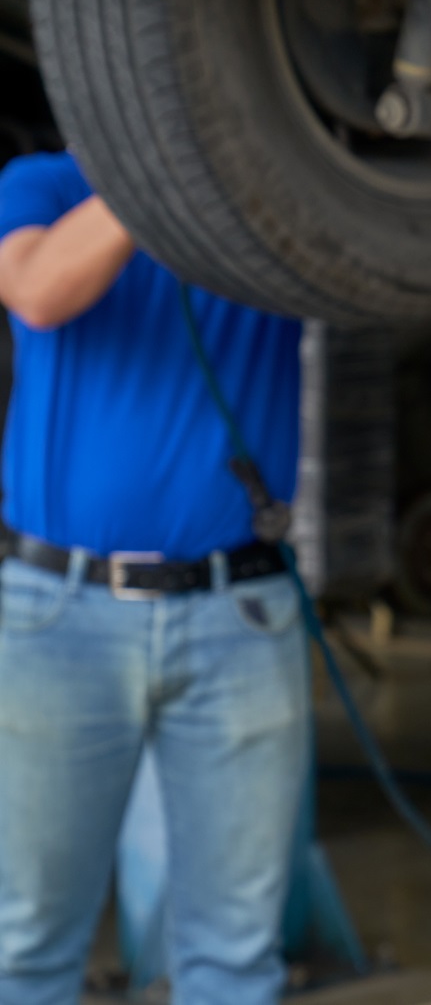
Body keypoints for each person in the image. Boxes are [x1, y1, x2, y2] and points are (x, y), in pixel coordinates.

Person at [0, 149, 305, 1005]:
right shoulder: (44, 183)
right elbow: (36, 290)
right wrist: (165, 166)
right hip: (62, 616)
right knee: (26, 943)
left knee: (237, 953)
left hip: (240, 614)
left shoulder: (279, 180)